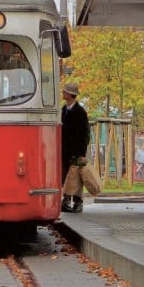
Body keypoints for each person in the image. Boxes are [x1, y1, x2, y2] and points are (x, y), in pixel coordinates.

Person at [61, 82, 90, 213]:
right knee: (66, 176)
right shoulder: (63, 110)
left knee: (77, 177)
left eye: (65, 91)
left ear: (70, 94)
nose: (63, 93)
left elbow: (85, 134)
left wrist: (82, 153)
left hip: (77, 151)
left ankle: (78, 202)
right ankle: (66, 200)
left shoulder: (80, 112)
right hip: (65, 150)